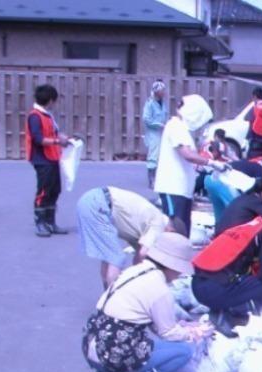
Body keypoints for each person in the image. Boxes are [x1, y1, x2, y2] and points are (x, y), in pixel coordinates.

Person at [82, 231, 212, 372]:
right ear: (170, 266)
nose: (179, 274)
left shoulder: (135, 271)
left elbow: (148, 318)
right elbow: (168, 333)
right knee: (183, 352)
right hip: (114, 350)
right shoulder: (159, 289)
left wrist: (182, 326)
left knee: (154, 344)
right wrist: (193, 333)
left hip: (93, 342)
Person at [190, 172, 262, 333]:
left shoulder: (245, 219)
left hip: (198, 285)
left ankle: (227, 305)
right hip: (215, 291)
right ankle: (238, 310)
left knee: (244, 277)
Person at [76, 186, 172, 288]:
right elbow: (142, 255)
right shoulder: (159, 223)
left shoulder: (147, 224)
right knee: (116, 258)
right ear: (171, 230)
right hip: (98, 204)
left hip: (92, 200)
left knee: (108, 256)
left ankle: (107, 294)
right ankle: (113, 297)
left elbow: (139, 256)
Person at [153, 94, 219, 235]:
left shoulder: (180, 128)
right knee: (175, 230)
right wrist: (211, 163)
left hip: (182, 189)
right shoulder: (176, 126)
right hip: (173, 188)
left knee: (183, 231)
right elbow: (187, 154)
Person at [25, 84, 71, 237]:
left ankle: (51, 222)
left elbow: (53, 133)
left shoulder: (47, 115)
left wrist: (64, 138)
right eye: (55, 101)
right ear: (50, 101)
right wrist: (58, 142)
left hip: (52, 157)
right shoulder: (35, 116)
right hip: (42, 159)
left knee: (54, 190)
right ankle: (40, 223)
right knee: (43, 191)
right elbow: (38, 139)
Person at [141, 80, 168, 188]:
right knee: (153, 155)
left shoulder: (163, 103)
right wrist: (159, 125)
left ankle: (158, 178)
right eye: (162, 91)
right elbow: (146, 119)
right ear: (157, 91)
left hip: (162, 132)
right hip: (153, 133)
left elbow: (164, 115)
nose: (164, 92)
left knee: (161, 156)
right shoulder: (150, 103)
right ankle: (151, 180)